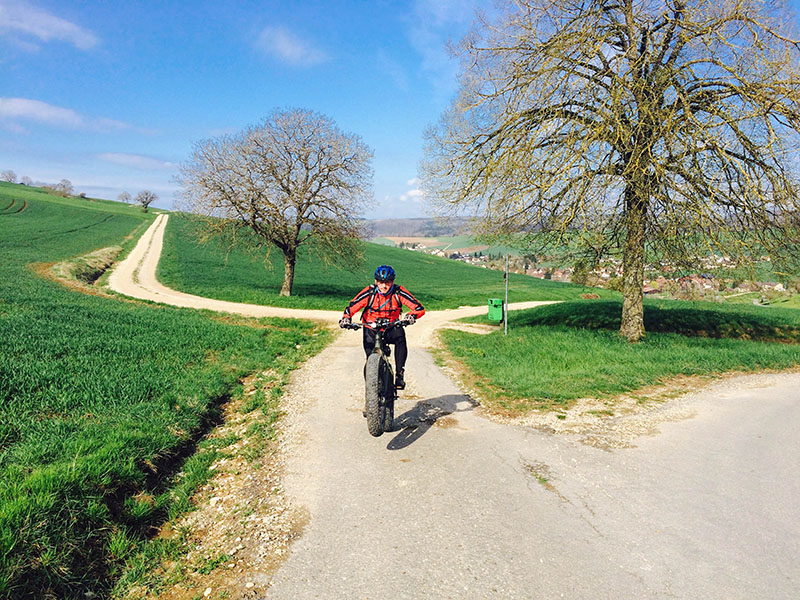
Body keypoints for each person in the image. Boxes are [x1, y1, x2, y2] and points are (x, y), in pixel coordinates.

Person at [339, 264, 425, 389]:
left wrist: (411, 316)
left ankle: (399, 374)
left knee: (400, 338)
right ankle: (371, 391)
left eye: (388, 282)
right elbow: (351, 307)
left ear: (393, 282)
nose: (384, 286)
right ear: (376, 281)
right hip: (371, 328)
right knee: (370, 361)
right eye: (381, 282)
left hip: (391, 326)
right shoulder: (369, 292)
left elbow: (419, 308)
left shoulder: (398, 292)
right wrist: (346, 319)